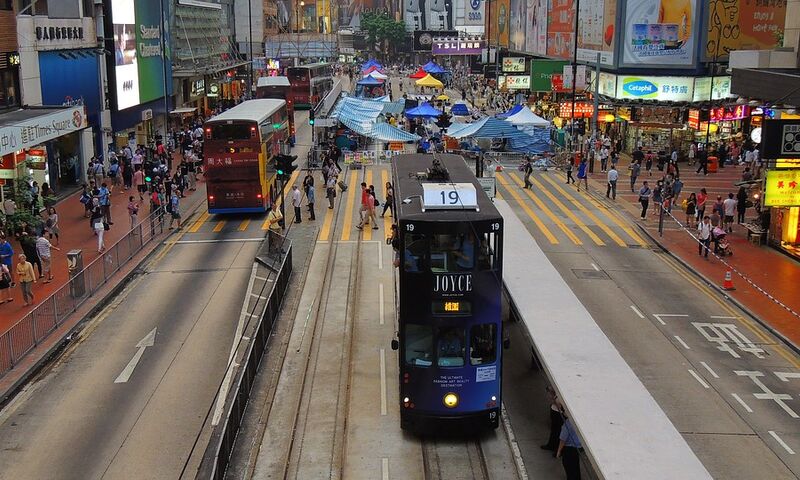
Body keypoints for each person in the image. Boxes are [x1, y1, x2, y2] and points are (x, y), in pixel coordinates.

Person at [556, 416, 582, 480]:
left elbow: (563, 439)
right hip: (577, 446)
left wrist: (559, 451)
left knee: (569, 466)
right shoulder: (578, 419)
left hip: (569, 447)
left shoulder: (568, 423)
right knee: (575, 465)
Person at [540, 385, 564, 454]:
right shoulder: (557, 392)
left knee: (557, 431)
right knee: (554, 430)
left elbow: (560, 407)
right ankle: (551, 445)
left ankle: (556, 448)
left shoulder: (561, 397)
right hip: (554, 412)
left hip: (559, 414)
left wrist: (554, 401)